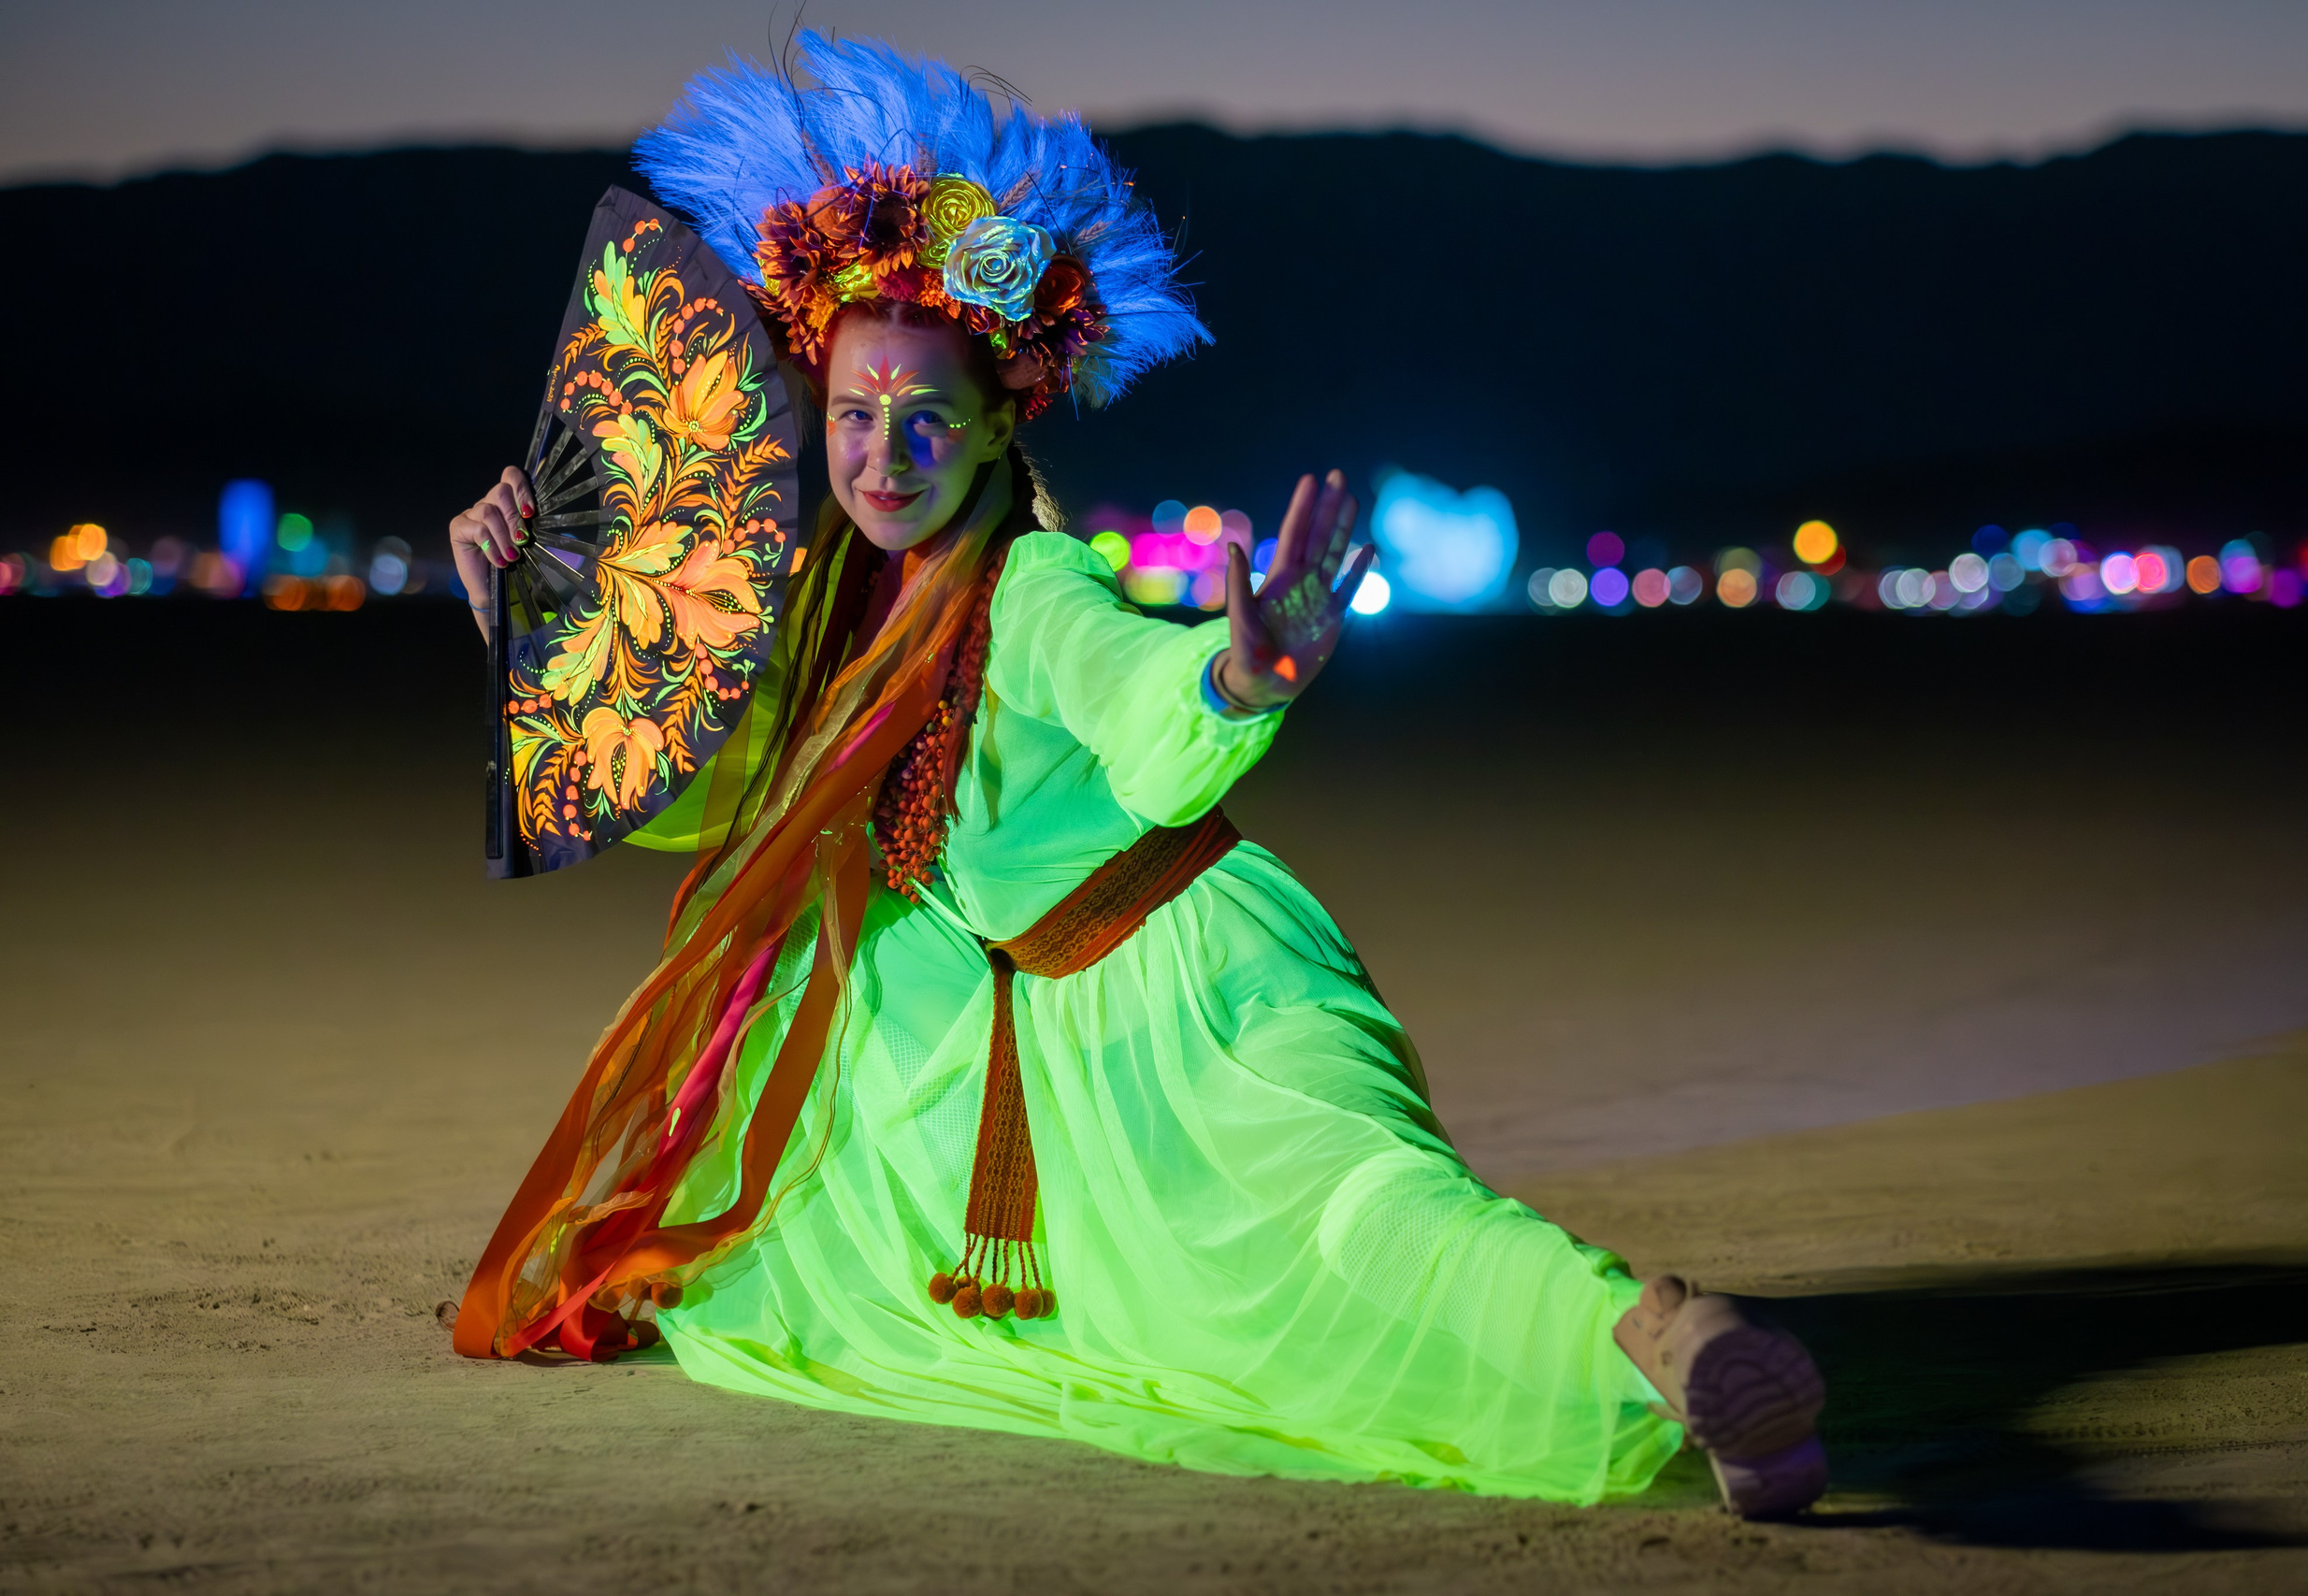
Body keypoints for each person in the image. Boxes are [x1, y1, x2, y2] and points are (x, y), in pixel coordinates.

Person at [443, 33, 1826, 1517]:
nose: (884, 456)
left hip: (1198, 988)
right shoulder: (829, 612)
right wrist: (529, 612)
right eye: (854, 413)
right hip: (1029, 1050)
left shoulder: (1029, 587)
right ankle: (1706, 1396)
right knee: (819, 1293)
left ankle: (1663, 1335)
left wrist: (1243, 674)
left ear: (991, 427)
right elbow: (712, 799)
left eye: (925, 419)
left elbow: (1148, 700)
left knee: (1362, 1215)